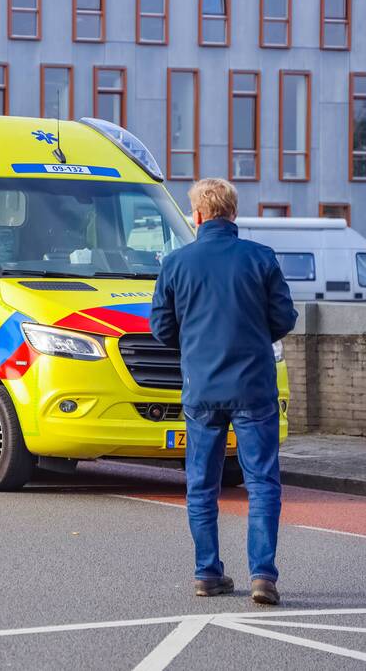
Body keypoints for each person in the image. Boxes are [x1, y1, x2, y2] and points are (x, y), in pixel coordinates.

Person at [151, 179, 298, 606]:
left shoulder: (176, 263)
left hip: (201, 388)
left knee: (201, 484)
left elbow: (161, 329)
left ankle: (207, 573)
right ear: (233, 213)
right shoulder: (261, 258)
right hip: (253, 386)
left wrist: (197, 343)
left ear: (196, 216)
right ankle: (263, 576)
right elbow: (284, 318)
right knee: (263, 480)